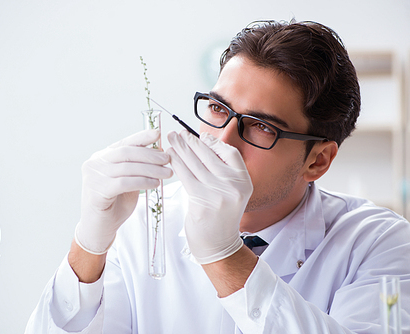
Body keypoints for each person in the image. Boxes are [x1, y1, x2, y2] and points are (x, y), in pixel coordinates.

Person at [25, 20, 410, 333]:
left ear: (318, 161)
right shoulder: (141, 225)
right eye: (217, 108)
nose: (222, 141)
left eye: (261, 127)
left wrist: (225, 255)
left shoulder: (379, 244)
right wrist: (88, 247)